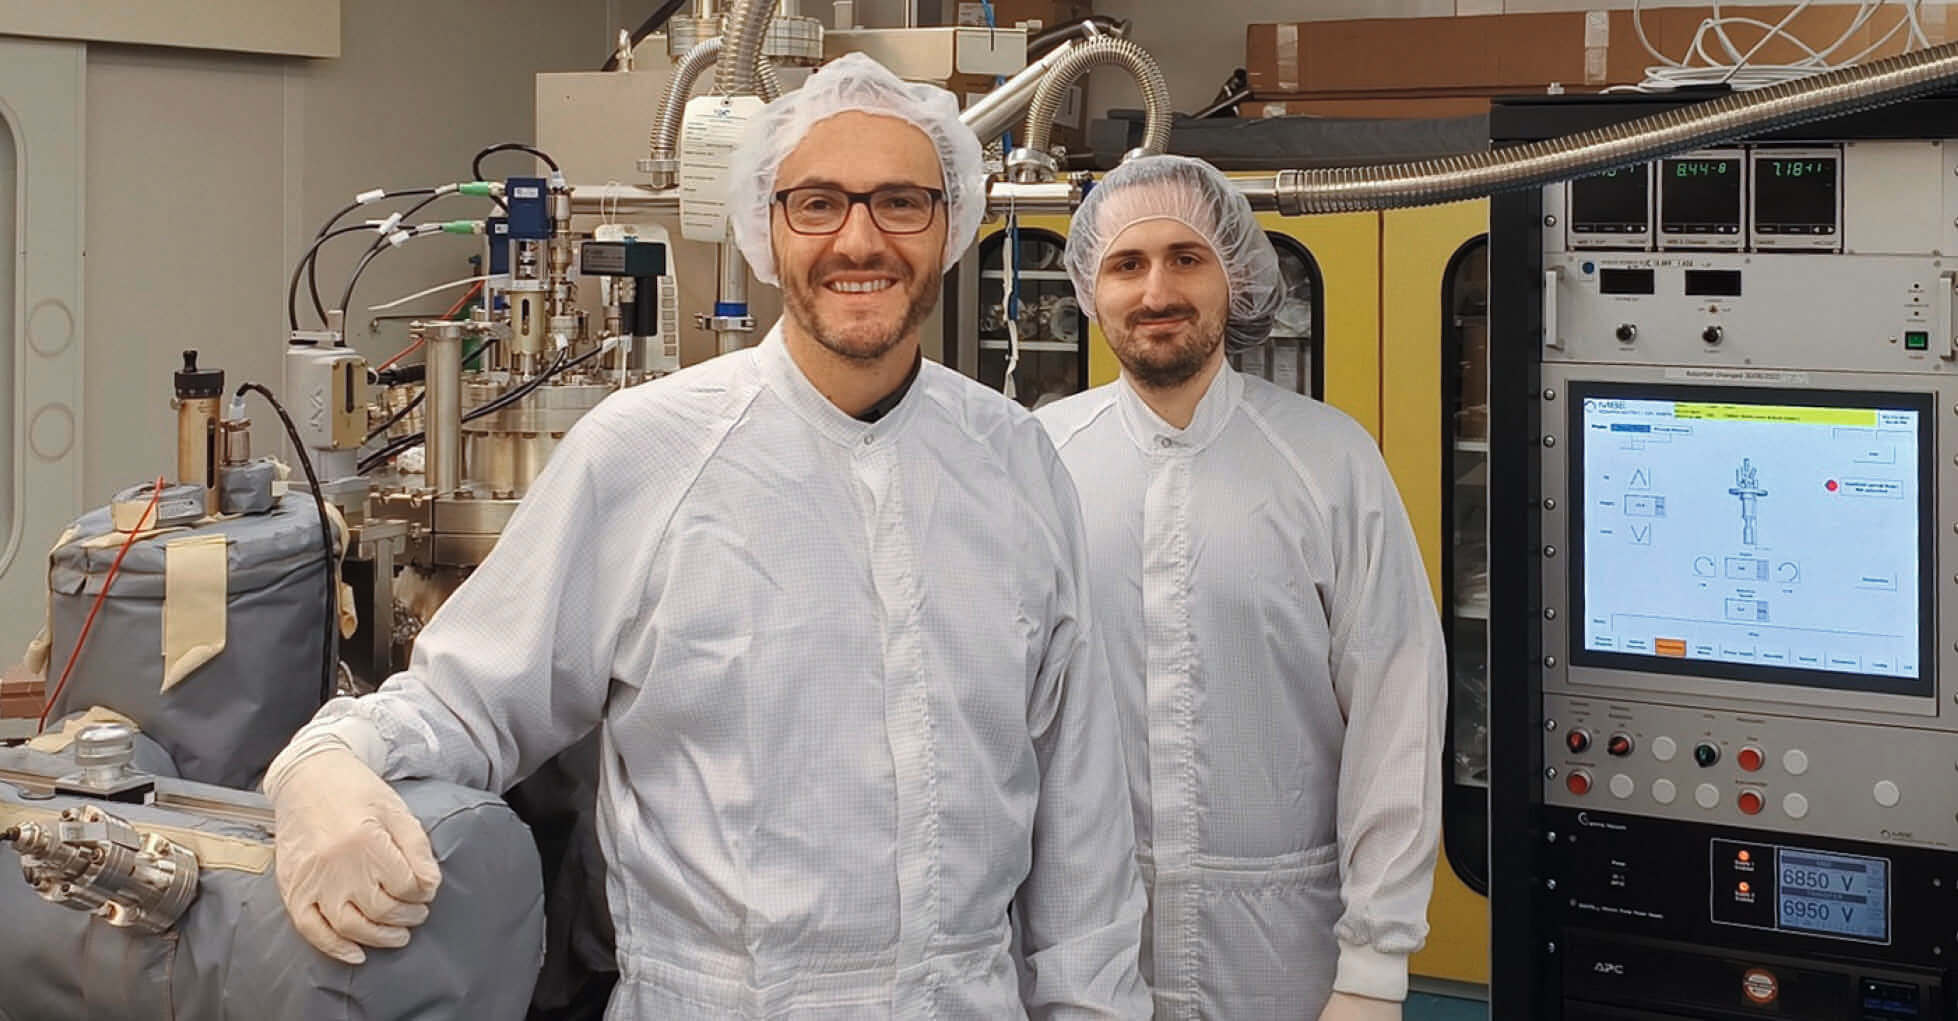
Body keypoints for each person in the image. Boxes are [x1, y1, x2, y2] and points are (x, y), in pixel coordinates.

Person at [262, 53, 1149, 1018]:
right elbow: (474, 700)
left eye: (902, 202)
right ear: (768, 228)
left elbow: (1083, 819)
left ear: (950, 228)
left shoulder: (1014, 462)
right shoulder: (643, 456)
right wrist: (326, 763)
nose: (861, 238)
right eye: (818, 203)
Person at [1035, 154, 1446, 1021]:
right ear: (1089, 287)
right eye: (1126, 264)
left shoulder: (1328, 459)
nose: (1156, 291)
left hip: (1284, 955)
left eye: (1187, 257)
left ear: (1237, 275)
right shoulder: (1039, 462)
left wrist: (1375, 962)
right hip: (1084, 954)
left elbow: (1398, 707)